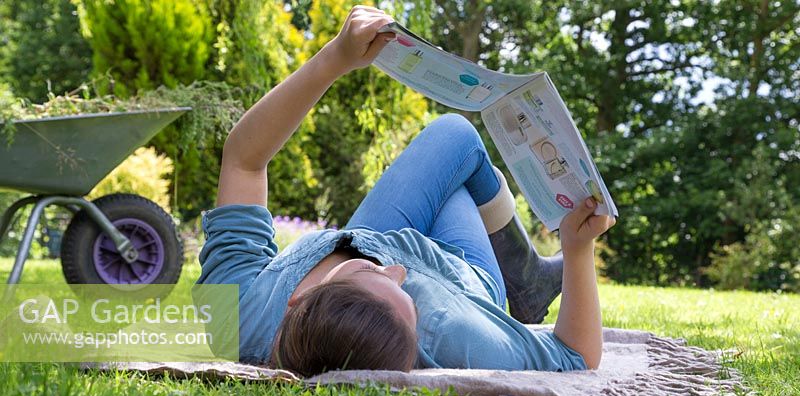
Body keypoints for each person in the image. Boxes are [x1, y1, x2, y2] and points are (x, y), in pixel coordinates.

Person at [195, 6, 616, 376]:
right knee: (456, 141)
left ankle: (528, 279)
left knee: (454, 146)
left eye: (367, 272)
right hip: (459, 274)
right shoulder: (456, 333)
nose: (397, 270)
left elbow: (243, 161)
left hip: (372, 234)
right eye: (408, 299)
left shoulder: (237, 316)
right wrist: (578, 251)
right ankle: (522, 282)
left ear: (298, 300)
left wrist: (333, 60)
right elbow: (576, 355)